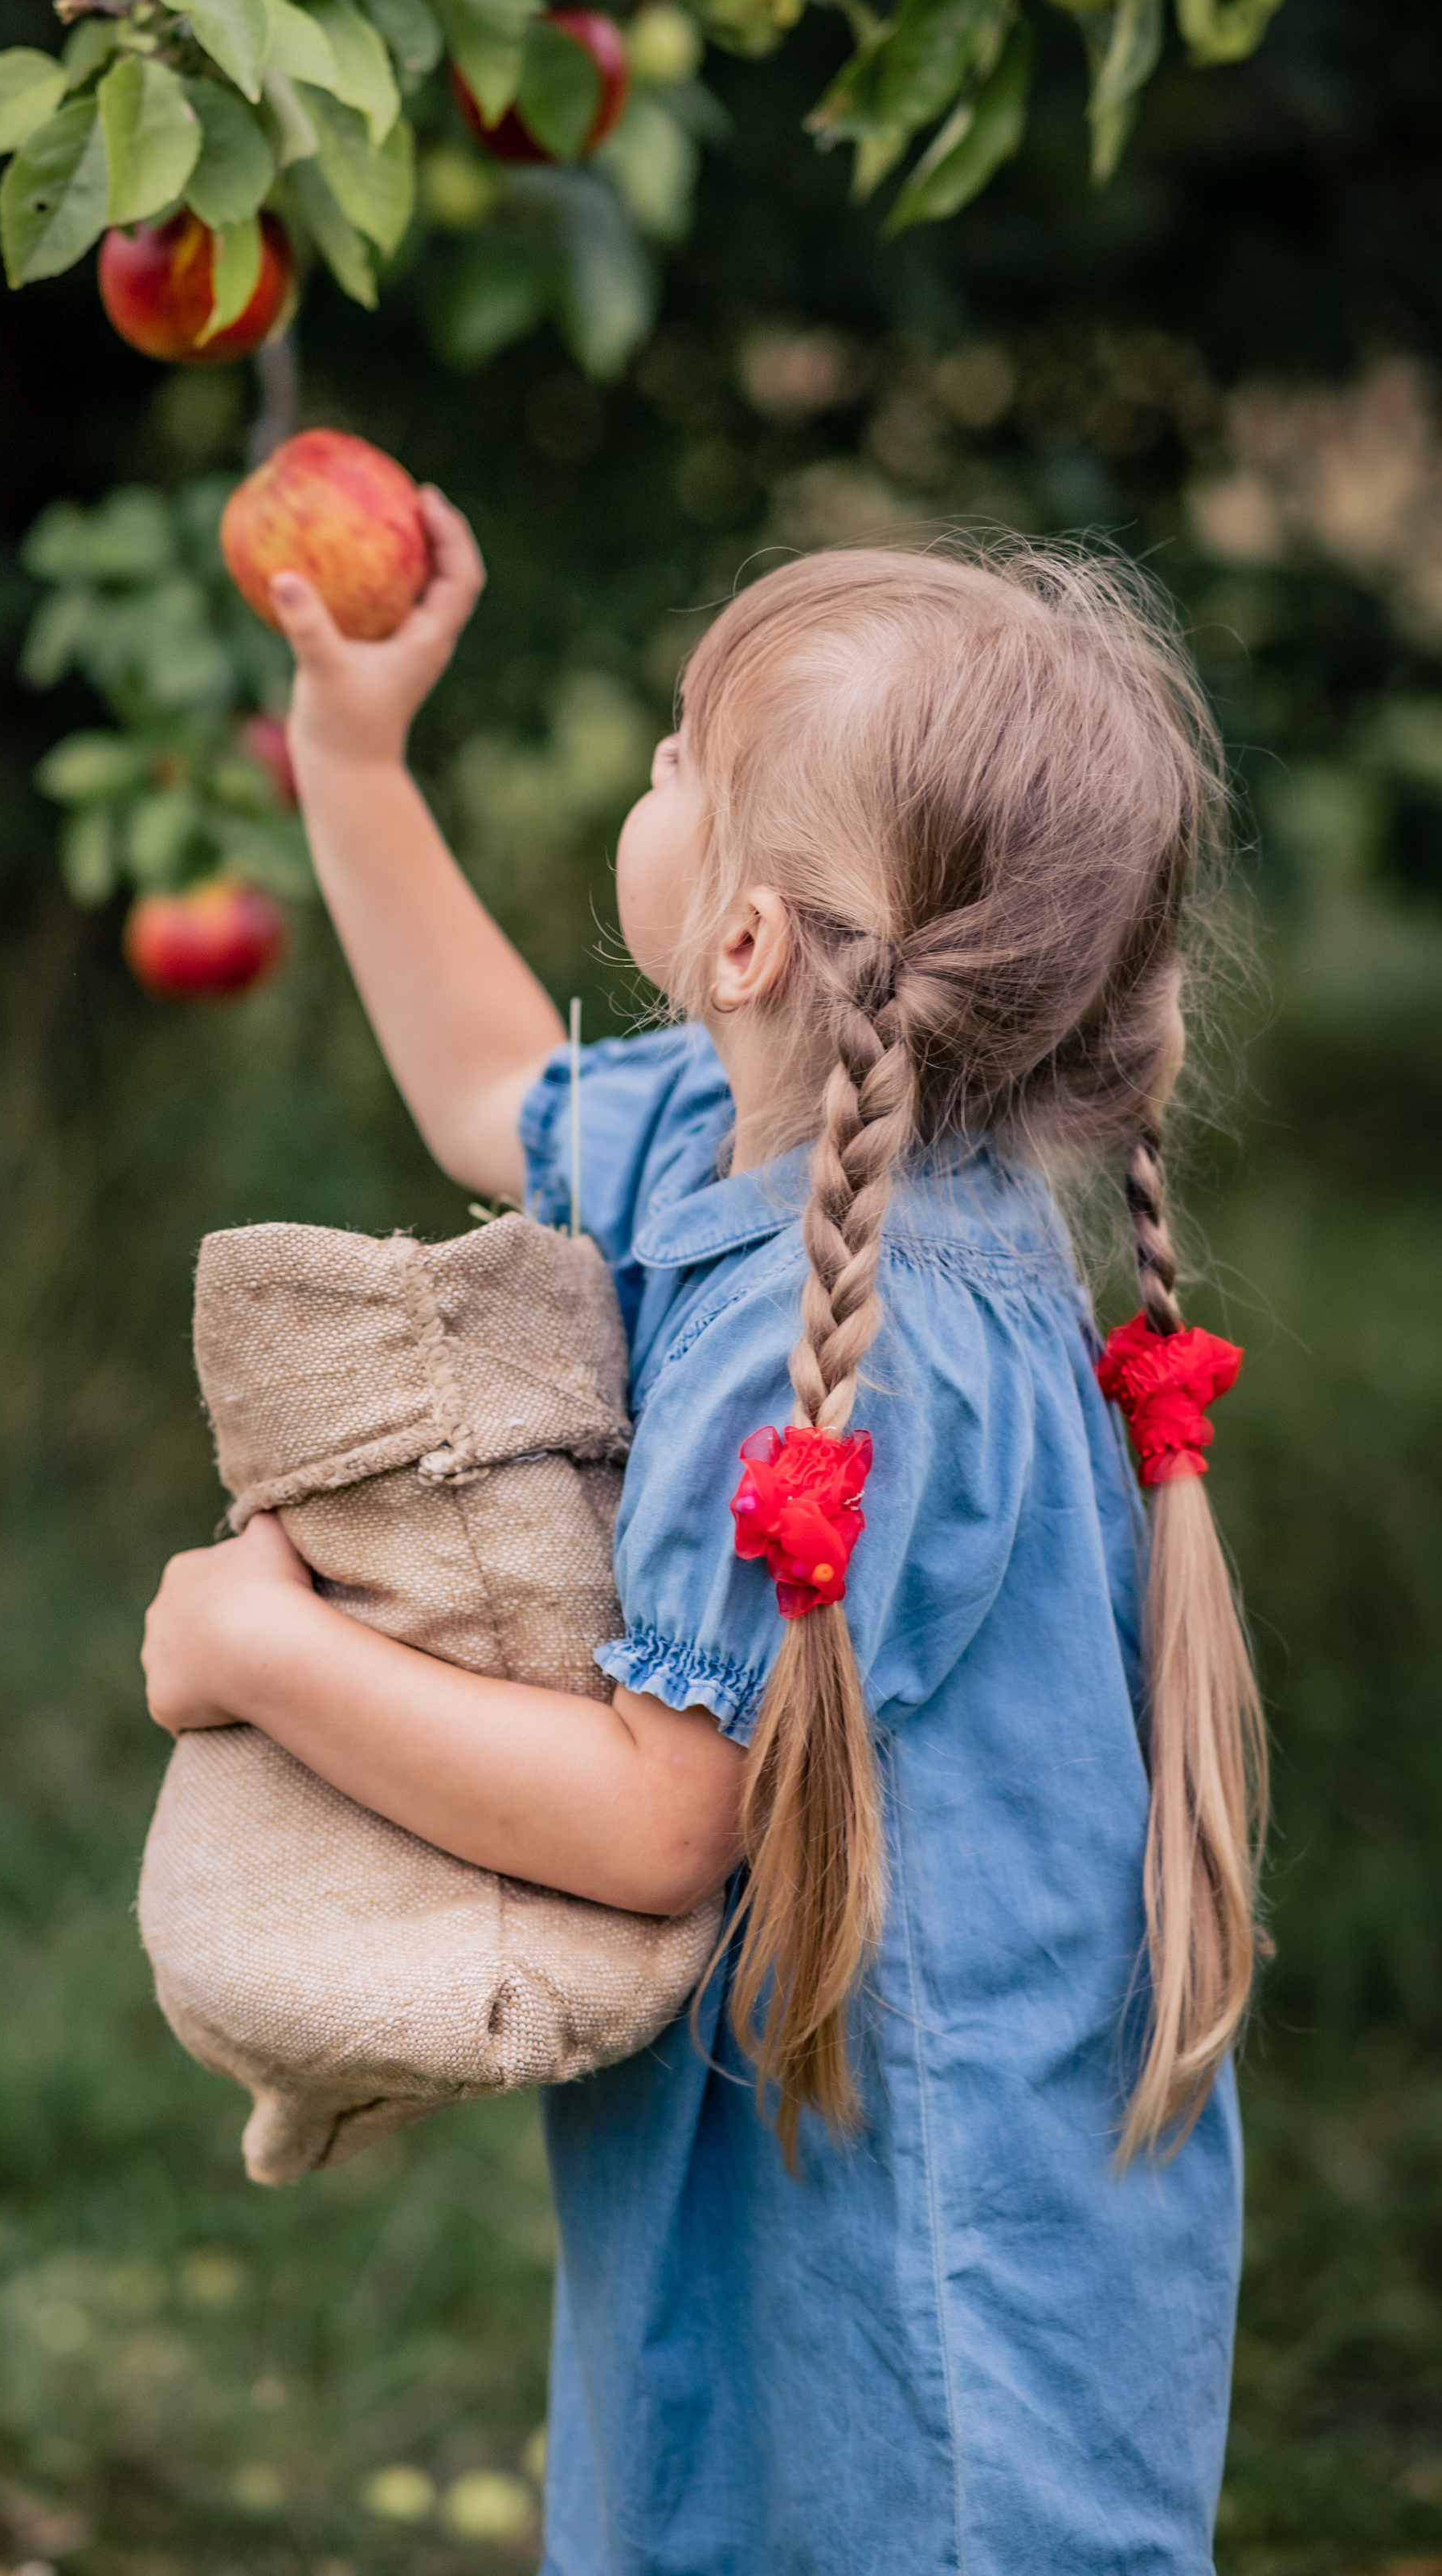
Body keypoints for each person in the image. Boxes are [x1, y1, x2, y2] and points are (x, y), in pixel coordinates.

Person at [141, 502, 1263, 2576]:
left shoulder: (840, 1336)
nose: (653, 770)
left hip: (939, 2265)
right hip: (810, 2179)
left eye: (681, 751)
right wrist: (360, 761)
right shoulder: (747, 1135)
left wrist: (263, 1658)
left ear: (745, 938)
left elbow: (667, 1815)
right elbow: (492, 1085)